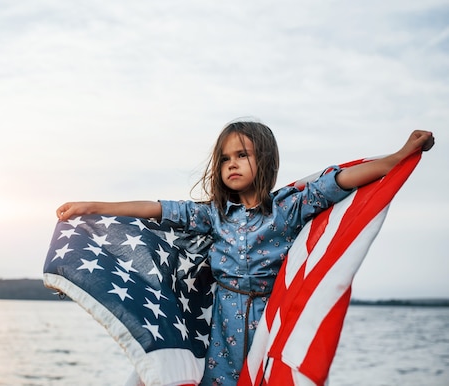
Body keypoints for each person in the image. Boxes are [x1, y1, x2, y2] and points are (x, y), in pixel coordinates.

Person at [56, 120, 434, 385]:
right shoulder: (215, 215)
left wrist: (401, 153)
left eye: (242, 155)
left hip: (271, 317)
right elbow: (157, 208)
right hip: (221, 318)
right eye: (224, 158)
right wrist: (95, 206)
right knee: (219, 379)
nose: (231, 163)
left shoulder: (289, 206)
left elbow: (343, 179)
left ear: (265, 160)